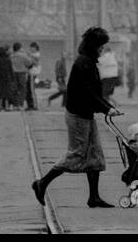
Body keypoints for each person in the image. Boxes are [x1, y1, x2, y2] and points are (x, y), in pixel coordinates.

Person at [31, 27, 120, 208]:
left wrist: (108, 107)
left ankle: (93, 197)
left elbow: (95, 93)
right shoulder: (83, 64)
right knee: (77, 153)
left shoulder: (89, 62)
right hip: (78, 115)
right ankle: (42, 183)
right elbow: (88, 93)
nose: (102, 50)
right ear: (94, 46)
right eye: (101, 46)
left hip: (85, 114)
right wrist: (106, 109)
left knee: (95, 155)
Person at [10, 42, 32, 111]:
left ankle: (14, 104)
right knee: (22, 89)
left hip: (13, 74)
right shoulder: (23, 55)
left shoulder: (11, 56)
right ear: (19, 48)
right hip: (22, 74)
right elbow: (29, 63)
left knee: (14, 89)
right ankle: (20, 104)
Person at [0, 46, 14, 111]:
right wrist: (12, 78)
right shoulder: (8, 59)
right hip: (7, 78)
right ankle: (7, 106)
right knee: (7, 93)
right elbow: (11, 69)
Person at [25, 42, 42, 111]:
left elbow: (35, 62)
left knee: (32, 90)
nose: (31, 49)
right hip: (30, 73)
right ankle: (30, 105)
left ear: (35, 48)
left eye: (32, 47)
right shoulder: (32, 54)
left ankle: (34, 105)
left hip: (33, 73)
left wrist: (29, 56)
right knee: (29, 90)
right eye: (30, 47)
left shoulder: (36, 54)